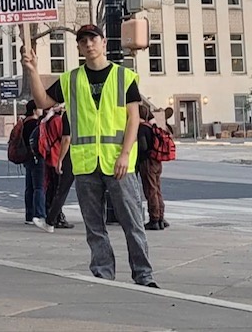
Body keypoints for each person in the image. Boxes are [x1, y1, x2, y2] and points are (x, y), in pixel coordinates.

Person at [22, 24, 157, 287]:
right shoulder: (71, 79)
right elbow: (42, 102)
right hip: (85, 164)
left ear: (104, 43)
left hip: (118, 162)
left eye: (93, 39)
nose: (88, 44)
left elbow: (133, 119)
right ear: (79, 48)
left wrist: (125, 153)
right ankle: (103, 273)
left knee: (132, 223)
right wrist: (33, 70)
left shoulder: (123, 77)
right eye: (83, 41)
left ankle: (144, 275)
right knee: (94, 226)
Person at [21, 100, 53, 232]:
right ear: (34, 110)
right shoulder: (34, 123)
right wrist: (49, 115)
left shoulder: (24, 122)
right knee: (39, 187)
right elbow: (42, 127)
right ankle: (39, 214)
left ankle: (29, 214)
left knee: (29, 187)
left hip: (28, 157)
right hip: (36, 157)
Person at [42, 105, 75, 229]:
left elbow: (66, 139)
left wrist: (60, 159)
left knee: (60, 189)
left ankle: (51, 219)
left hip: (65, 154)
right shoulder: (85, 111)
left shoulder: (64, 116)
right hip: (84, 153)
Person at [138, 102, 169, 230]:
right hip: (157, 161)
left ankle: (154, 219)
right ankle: (161, 217)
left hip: (148, 162)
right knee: (157, 189)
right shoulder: (152, 127)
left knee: (150, 191)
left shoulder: (141, 129)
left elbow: (143, 147)